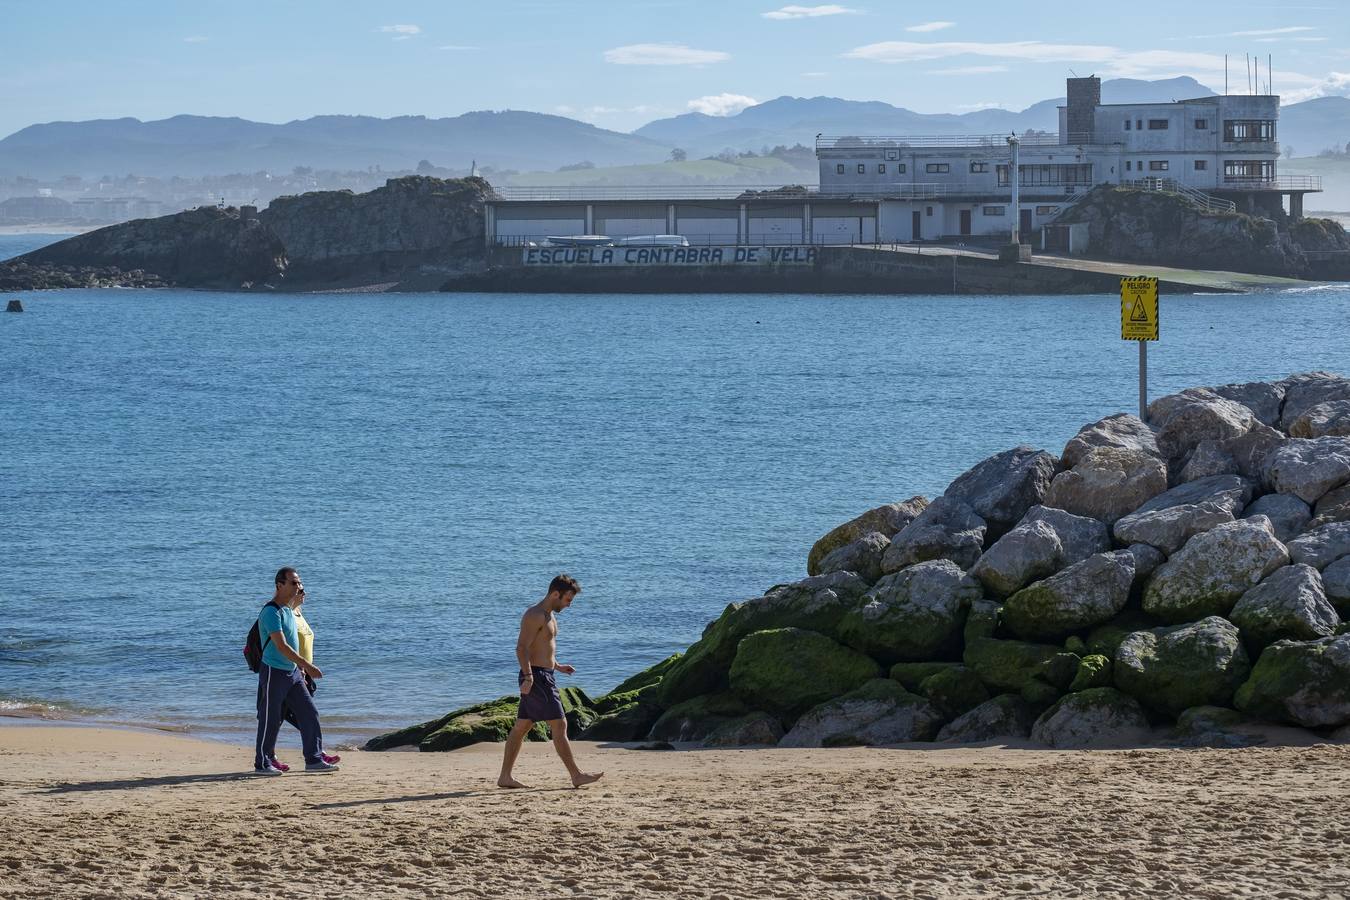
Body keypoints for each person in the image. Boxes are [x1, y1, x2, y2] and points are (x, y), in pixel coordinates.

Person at [497, 574, 603, 790]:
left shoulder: (550, 616)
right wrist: (528, 676)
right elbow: (522, 648)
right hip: (536, 677)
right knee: (560, 723)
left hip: (544, 674)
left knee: (521, 727)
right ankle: (576, 775)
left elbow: (542, 650)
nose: (569, 605)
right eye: (567, 600)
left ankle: (505, 777)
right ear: (556, 594)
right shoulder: (534, 615)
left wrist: (558, 666)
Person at [253, 567, 339, 775]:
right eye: (293, 583)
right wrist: (307, 665)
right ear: (279, 585)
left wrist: (300, 668)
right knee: (270, 718)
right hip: (274, 671)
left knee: (309, 713)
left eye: (299, 583)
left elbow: (295, 642)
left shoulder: (289, 610)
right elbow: (281, 646)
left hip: (293, 672)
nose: (298, 586)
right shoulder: (270, 611)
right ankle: (263, 763)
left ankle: (314, 759)